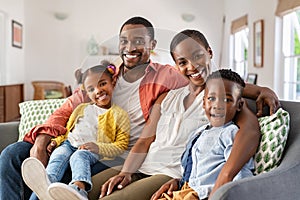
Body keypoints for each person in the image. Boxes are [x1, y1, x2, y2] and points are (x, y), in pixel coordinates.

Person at [0, 16, 188, 200]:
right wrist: (42, 141)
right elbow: (68, 107)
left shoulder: (167, 76)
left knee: (70, 171)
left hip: (115, 154)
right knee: (12, 155)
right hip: (75, 141)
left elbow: (201, 88)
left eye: (138, 41)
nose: (129, 48)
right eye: (124, 41)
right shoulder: (104, 74)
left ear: (152, 44)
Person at [93, 30, 280, 200]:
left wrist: (263, 91)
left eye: (198, 56)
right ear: (176, 65)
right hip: (142, 165)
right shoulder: (167, 97)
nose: (192, 66)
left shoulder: (220, 101)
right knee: (85, 190)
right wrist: (126, 172)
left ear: (209, 53)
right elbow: (144, 141)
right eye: (183, 62)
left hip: (168, 174)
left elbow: (250, 131)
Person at [21, 62, 130, 200]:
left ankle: (79, 189)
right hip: (69, 144)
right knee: (58, 156)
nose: (98, 91)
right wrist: (56, 142)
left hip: (91, 150)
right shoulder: (81, 108)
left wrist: (98, 147)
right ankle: (46, 183)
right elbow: (69, 131)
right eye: (91, 89)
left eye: (102, 84)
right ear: (87, 92)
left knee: (78, 157)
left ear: (113, 83)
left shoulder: (120, 114)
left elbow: (121, 146)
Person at [159, 69, 254, 200]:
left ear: (239, 105)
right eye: (211, 98)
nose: (217, 105)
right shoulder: (198, 132)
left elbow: (241, 174)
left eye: (227, 100)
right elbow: (193, 168)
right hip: (183, 190)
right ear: (204, 102)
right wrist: (178, 181)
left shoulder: (230, 133)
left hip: (202, 194)